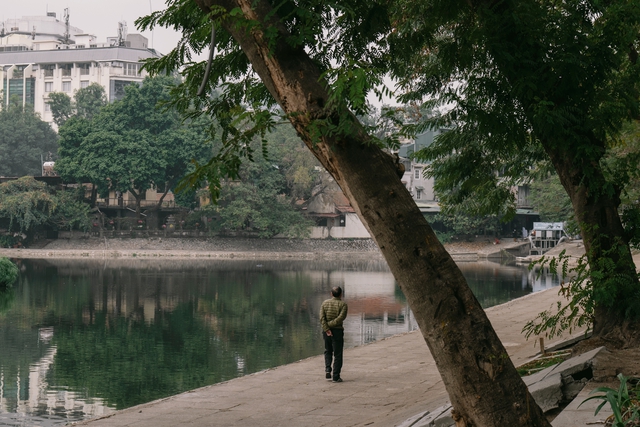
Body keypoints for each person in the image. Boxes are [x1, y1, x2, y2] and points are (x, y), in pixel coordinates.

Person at [320, 286, 348, 383]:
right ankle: (336, 376)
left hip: (326, 331)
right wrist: (330, 326)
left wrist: (327, 328)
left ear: (331, 294)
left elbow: (321, 318)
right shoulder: (343, 305)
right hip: (337, 331)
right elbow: (340, 318)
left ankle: (328, 369)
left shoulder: (325, 303)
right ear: (341, 294)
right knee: (338, 354)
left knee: (328, 350)